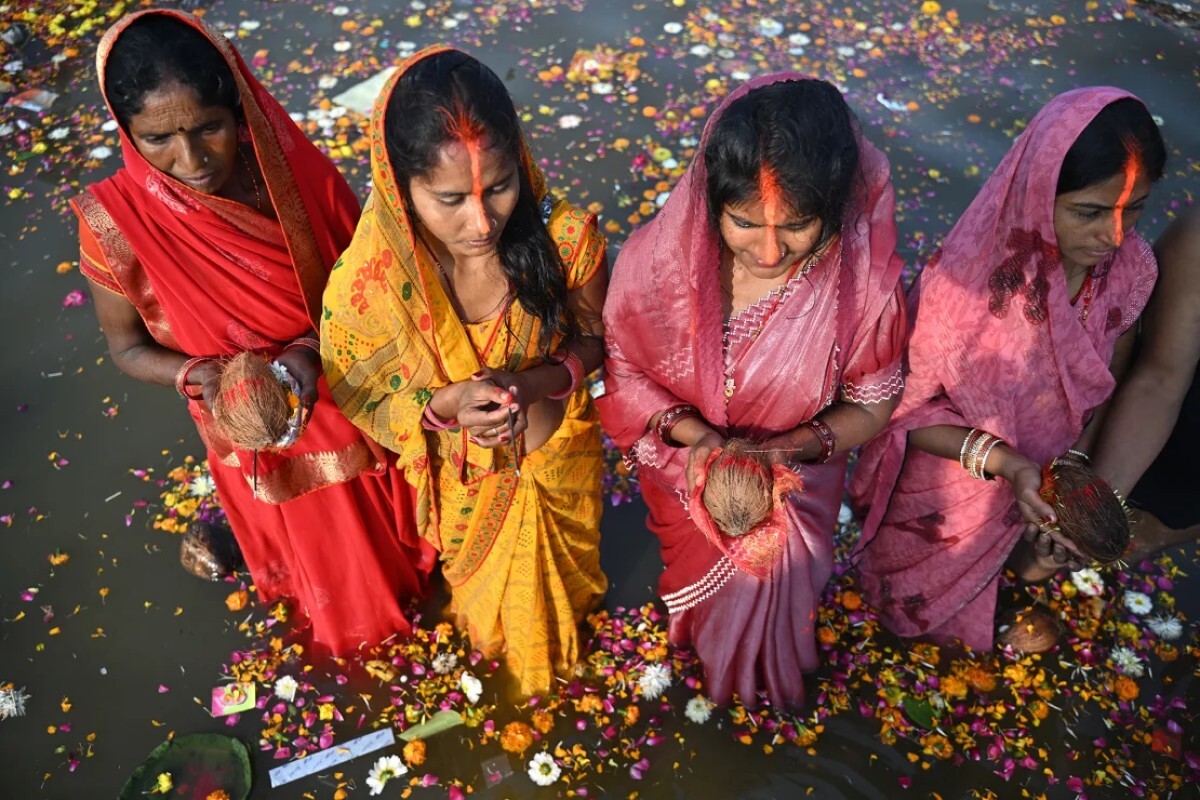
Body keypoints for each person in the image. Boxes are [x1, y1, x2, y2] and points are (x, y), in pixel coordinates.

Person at [71, 10, 434, 655]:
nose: (191, 159)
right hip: (241, 418)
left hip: (341, 392)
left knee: (386, 538)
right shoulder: (113, 221)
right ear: (126, 133)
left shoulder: (294, 177)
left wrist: (307, 353)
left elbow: (379, 296)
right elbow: (126, 347)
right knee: (317, 559)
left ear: (238, 111)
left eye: (209, 128)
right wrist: (198, 376)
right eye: (158, 139)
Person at [597, 75, 907, 709]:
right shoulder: (657, 266)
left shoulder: (863, 287)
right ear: (712, 200)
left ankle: (750, 679)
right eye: (743, 223)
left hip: (798, 479)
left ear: (837, 204)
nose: (769, 251)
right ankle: (703, 655)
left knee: (775, 589)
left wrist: (795, 447)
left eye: (797, 226)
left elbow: (876, 400)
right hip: (687, 472)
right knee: (703, 595)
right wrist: (701, 439)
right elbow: (624, 372)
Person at [321, 46, 608, 696]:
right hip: (466, 489)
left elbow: (598, 341)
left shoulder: (564, 239)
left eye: (500, 187)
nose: (480, 222)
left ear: (521, 161)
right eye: (449, 199)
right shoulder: (374, 281)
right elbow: (359, 386)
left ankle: (555, 676)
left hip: (559, 457)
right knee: (487, 618)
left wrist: (535, 382)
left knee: (568, 598)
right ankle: (519, 686)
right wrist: (444, 403)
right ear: (401, 186)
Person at [850, 88, 1167, 652]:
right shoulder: (962, 291)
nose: (1113, 236)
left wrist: (1069, 469)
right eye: (1089, 212)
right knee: (906, 603)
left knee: (1001, 570)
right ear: (1036, 193)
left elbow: (1109, 371)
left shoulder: (1130, 270)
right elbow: (900, 417)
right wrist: (1008, 462)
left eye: (1135, 208)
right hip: (948, 486)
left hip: (1039, 477)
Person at [1091, 205, 1200, 550]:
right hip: (1164, 429)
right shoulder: (1196, 240)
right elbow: (1159, 379)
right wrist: (1094, 507)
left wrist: (1165, 531)